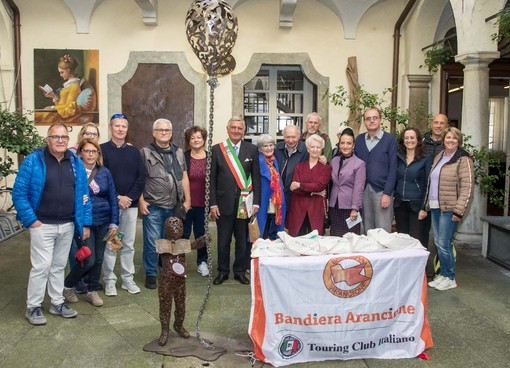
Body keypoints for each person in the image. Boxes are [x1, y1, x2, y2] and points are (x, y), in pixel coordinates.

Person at [13, 123, 92, 325]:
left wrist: (84, 223)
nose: (60, 140)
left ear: (68, 140)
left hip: (67, 225)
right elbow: (19, 193)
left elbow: (84, 195)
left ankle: (57, 303)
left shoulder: (75, 162)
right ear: (47, 139)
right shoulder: (33, 161)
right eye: (56, 137)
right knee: (41, 266)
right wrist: (32, 220)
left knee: (58, 266)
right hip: (42, 225)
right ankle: (33, 306)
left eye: (64, 137)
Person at [63, 139, 119, 307]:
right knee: (88, 259)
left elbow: (113, 198)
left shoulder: (104, 173)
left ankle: (92, 291)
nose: (90, 154)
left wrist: (114, 223)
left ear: (98, 154)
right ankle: (68, 286)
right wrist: (82, 224)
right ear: (80, 153)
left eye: (94, 151)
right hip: (83, 223)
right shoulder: (73, 172)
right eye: (87, 151)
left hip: (103, 222)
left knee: (99, 259)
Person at [139, 118, 191, 289]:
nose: (164, 133)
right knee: (152, 241)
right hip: (153, 205)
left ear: (171, 133)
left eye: (167, 130)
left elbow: (184, 177)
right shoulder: (145, 152)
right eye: (160, 130)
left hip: (174, 206)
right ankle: (150, 274)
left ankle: (165, 270)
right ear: (154, 133)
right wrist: (140, 200)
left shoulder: (178, 152)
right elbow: (138, 178)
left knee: (169, 241)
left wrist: (187, 200)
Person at [420, 127, 473, 291]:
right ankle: (442, 274)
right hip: (436, 206)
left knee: (444, 243)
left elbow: (467, 187)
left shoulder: (463, 159)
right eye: (448, 137)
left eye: (454, 138)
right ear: (443, 139)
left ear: (459, 141)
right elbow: (431, 182)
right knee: (438, 242)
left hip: (450, 208)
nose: (450, 140)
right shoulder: (440, 156)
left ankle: (449, 276)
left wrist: (459, 210)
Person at [209, 116, 261, 285]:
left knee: (242, 241)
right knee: (223, 241)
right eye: (233, 128)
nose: (236, 131)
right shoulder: (217, 150)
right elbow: (212, 180)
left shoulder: (252, 149)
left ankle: (239, 271)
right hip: (223, 204)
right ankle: (223, 271)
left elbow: (256, 178)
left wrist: (256, 203)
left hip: (244, 204)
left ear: (244, 130)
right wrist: (213, 203)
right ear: (227, 129)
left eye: (240, 128)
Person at [101, 114, 145, 296]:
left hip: (131, 206)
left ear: (127, 129)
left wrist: (129, 198)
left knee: (128, 243)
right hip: (110, 205)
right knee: (111, 242)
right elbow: (101, 178)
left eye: (123, 126)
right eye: (117, 126)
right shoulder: (102, 150)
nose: (120, 129)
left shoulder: (134, 152)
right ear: (111, 127)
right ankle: (109, 280)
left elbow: (141, 177)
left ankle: (127, 279)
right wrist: (118, 198)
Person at [354, 108, 397, 233]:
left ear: (380, 120)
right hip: (364, 190)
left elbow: (393, 168)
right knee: (368, 229)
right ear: (364, 122)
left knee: (382, 230)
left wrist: (387, 193)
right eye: (368, 119)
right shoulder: (360, 140)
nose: (372, 121)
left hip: (382, 191)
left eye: (375, 118)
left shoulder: (390, 140)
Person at [286, 134, 332, 237]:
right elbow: (294, 189)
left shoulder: (326, 168)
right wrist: (313, 191)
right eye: (312, 146)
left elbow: (320, 186)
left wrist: (300, 185)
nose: (315, 149)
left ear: (322, 149)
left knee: (315, 242)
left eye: (318, 147)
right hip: (298, 209)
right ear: (308, 149)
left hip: (316, 210)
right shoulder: (299, 167)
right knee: (297, 241)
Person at [394, 128, 430, 246]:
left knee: (416, 241)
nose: (409, 140)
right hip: (400, 205)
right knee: (402, 240)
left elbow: (428, 184)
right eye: (406, 138)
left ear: (418, 140)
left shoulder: (425, 159)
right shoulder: (398, 157)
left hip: (416, 206)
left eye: (412, 137)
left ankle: (419, 265)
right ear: (403, 140)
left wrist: (424, 208)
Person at [328, 128, 366, 237]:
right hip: (334, 206)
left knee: (351, 239)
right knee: (335, 238)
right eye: (342, 143)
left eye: (348, 143)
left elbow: (359, 188)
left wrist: (355, 208)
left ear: (353, 145)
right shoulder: (334, 161)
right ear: (339, 145)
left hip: (350, 208)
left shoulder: (359, 164)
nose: (345, 146)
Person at [183, 126, 209, 277]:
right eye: (192, 138)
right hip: (186, 203)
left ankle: (202, 262)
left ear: (204, 139)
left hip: (203, 204)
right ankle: (181, 263)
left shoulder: (210, 157)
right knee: (184, 234)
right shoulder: (184, 157)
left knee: (201, 234)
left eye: (198, 137)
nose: (196, 140)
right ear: (188, 141)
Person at [256, 134, 286, 240]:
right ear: (260, 149)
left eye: (271, 145)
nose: (269, 148)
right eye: (265, 146)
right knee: (262, 232)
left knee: (274, 232)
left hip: (275, 202)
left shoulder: (274, 160)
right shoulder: (258, 161)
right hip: (263, 201)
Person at [274, 124, 308, 216]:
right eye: (287, 137)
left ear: (299, 136)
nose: (290, 140)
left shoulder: (306, 150)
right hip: (278, 193)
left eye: (293, 137)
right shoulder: (276, 149)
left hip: (297, 195)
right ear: (283, 137)